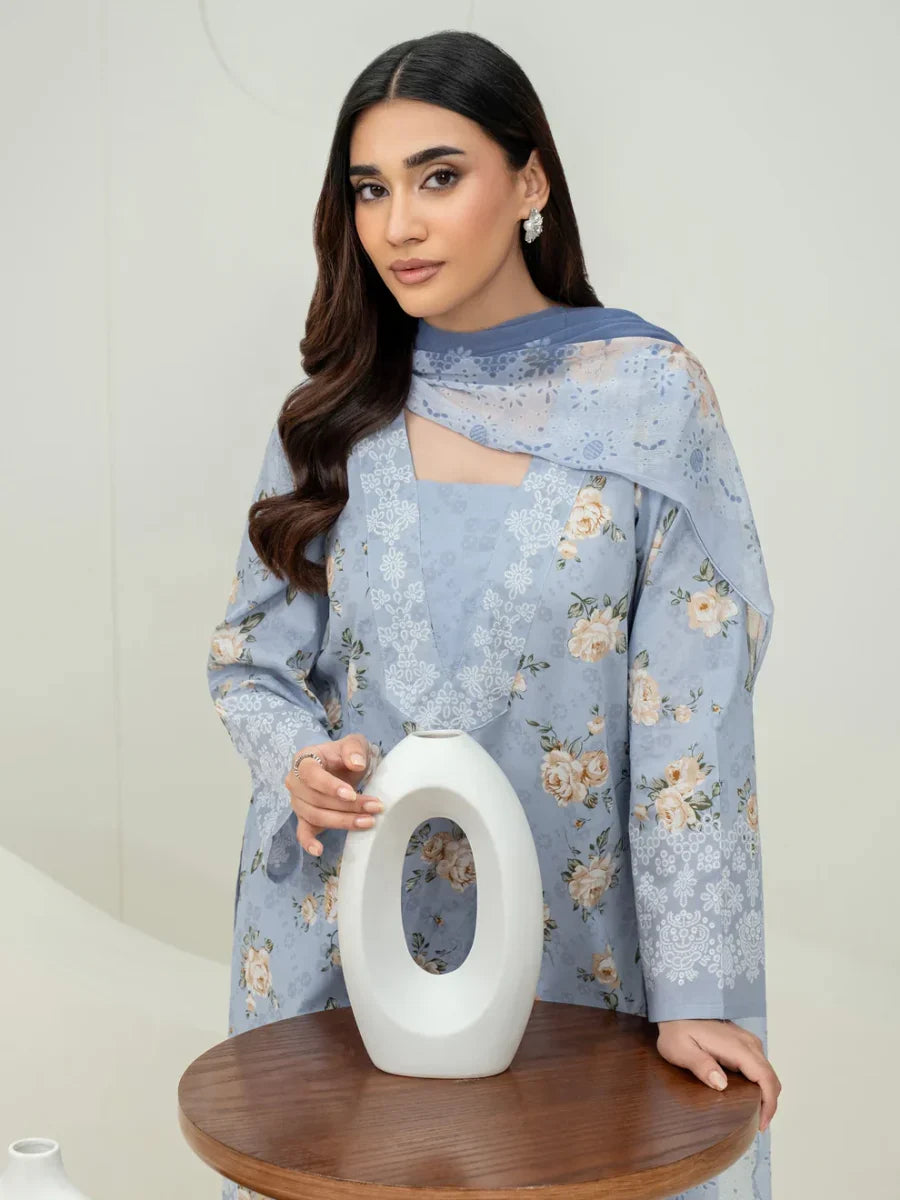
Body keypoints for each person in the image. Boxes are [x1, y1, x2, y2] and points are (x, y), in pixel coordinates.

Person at [206, 29, 781, 1200]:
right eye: (370, 190)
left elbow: (691, 718)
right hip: (343, 952)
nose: (399, 224)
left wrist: (696, 1000)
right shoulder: (333, 417)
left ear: (529, 182)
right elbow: (249, 664)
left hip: (573, 963)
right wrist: (298, 762)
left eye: (438, 176)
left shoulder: (647, 405)